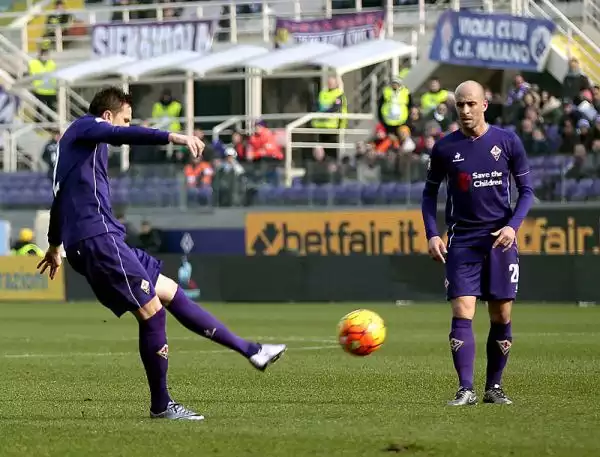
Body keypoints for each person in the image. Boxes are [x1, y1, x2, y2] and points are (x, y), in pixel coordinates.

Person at [37, 87, 286, 421]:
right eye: (124, 120)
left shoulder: (75, 150)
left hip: (102, 239)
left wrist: (54, 247)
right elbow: (120, 136)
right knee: (152, 313)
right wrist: (174, 137)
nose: (125, 126)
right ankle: (161, 405)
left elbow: (58, 204)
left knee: (169, 291)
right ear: (107, 116)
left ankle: (251, 350)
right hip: (99, 239)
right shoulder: (86, 127)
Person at [420, 80, 534, 406]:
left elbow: (526, 191)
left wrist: (513, 226)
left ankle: (493, 387)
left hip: (500, 241)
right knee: (463, 310)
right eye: (460, 105)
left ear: (485, 104)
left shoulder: (507, 142)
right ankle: (465, 388)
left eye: (471, 104)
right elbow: (429, 195)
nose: (466, 110)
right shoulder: (444, 148)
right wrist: (431, 232)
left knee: (501, 315)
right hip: (462, 241)